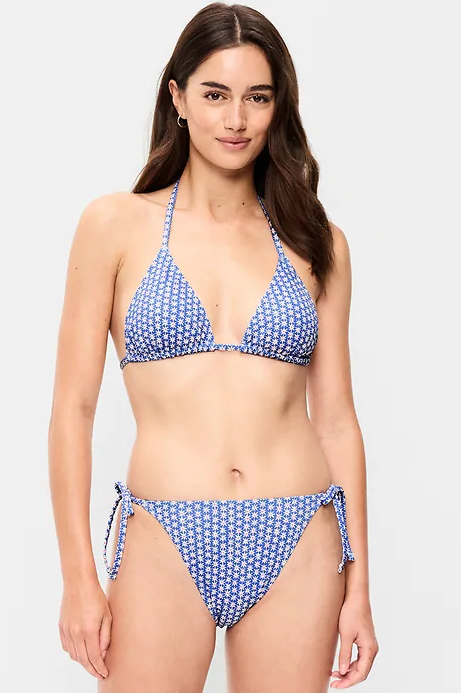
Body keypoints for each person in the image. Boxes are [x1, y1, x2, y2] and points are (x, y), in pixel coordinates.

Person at [48, 2, 379, 691]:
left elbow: (337, 419)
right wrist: (78, 576)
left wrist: (360, 588)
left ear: (278, 106)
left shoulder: (318, 243)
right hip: (163, 531)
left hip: (299, 531)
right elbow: (73, 409)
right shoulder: (115, 226)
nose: (236, 119)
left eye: (257, 97)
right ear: (178, 98)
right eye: (215, 94)